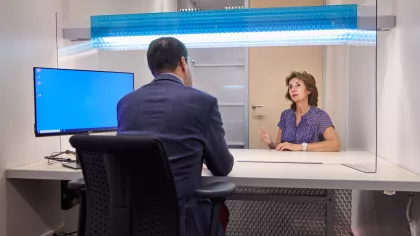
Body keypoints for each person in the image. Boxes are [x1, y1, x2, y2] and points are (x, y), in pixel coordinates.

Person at [116, 37, 234, 236]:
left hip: (136, 220)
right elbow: (222, 166)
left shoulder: (125, 103)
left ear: (151, 66)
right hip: (185, 221)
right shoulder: (203, 102)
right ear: (182, 63)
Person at [258, 71, 340, 152]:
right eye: (290, 87)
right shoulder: (286, 115)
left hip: (311, 164)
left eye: (298, 85)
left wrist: (298, 147)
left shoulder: (320, 116)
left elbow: (335, 144)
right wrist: (270, 143)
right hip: (287, 163)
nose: (293, 89)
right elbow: (280, 146)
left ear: (308, 90)